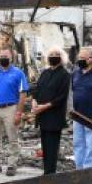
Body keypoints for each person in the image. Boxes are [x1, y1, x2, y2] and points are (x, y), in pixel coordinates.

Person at [0, 48, 29, 176]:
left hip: (11, 108)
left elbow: (23, 94)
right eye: (1, 56)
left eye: (6, 56)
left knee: (12, 138)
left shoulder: (18, 73)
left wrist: (19, 112)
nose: (3, 58)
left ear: (11, 57)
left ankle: (12, 164)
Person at [32, 47, 71, 175]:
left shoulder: (65, 74)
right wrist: (34, 101)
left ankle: (50, 173)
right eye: (51, 54)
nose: (54, 56)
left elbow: (61, 96)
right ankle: (46, 171)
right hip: (42, 115)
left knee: (52, 146)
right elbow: (37, 89)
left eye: (57, 54)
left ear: (62, 57)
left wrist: (45, 106)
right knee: (45, 145)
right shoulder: (45, 72)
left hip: (54, 115)